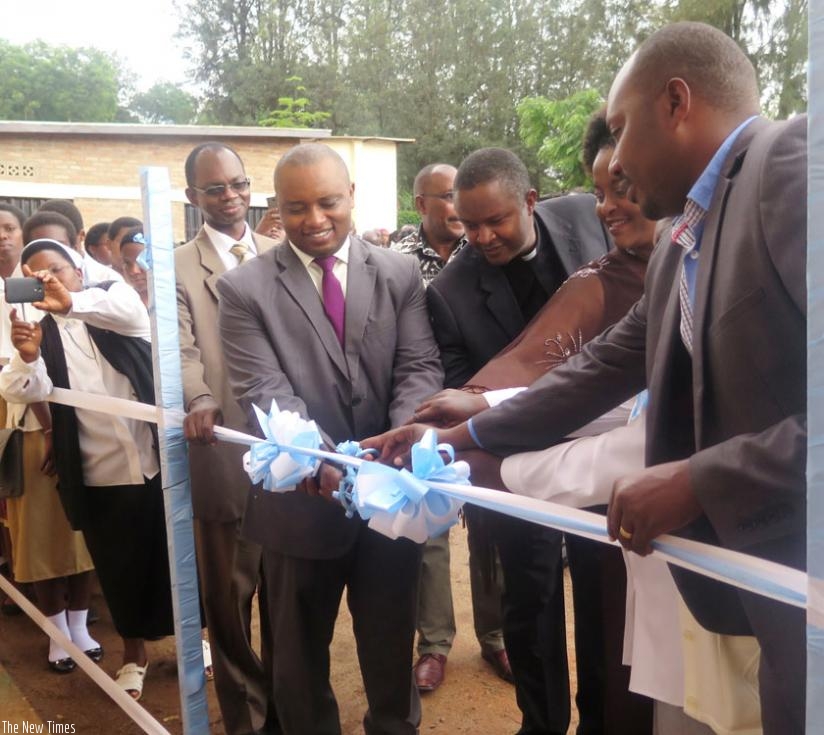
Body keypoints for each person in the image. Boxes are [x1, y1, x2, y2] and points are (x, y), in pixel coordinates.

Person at [366, 22, 806, 735]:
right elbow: (593, 371)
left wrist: (699, 478)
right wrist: (461, 434)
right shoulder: (679, 247)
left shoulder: (790, 163)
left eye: (622, 128)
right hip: (772, 606)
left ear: (677, 102)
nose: (617, 164)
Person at [217, 142, 443, 735]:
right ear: (276, 208)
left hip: (390, 500)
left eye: (328, 202)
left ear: (352, 199)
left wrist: (391, 450)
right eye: (296, 208)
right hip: (299, 505)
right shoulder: (244, 289)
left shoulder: (397, 271)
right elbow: (264, 390)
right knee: (297, 660)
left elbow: (418, 366)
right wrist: (326, 462)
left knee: (391, 650)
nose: (314, 220)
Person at [424, 147, 611, 735]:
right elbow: (460, 386)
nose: (480, 237)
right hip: (514, 462)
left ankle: (604, 720)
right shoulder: (450, 292)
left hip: (608, 449)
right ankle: (542, 722)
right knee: (529, 607)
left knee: (606, 598)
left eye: (495, 221)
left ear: (530, 202)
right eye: (467, 224)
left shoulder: (591, 216)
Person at [0, 239, 174, 701]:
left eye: (55, 269)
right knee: (118, 568)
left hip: (158, 463)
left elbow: (131, 312)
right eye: (35, 275)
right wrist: (29, 356)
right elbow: (22, 390)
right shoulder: (40, 331)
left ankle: (196, 643)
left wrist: (72, 302)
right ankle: (133, 656)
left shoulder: (111, 305)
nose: (48, 281)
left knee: (177, 558)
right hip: (99, 473)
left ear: (79, 269)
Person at [177, 141, 280, 735]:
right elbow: (182, 352)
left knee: (289, 593)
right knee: (231, 597)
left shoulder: (281, 252)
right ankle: (247, 716)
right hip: (220, 446)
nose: (231, 196)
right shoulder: (178, 267)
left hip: (290, 449)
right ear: (194, 198)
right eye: (215, 188)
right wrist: (199, 399)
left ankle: (289, 707)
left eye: (238, 184)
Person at [392, 163, 503, 693]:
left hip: (480, 397)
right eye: (445, 197)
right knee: (430, 525)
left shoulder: (486, 249)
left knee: (490, 519)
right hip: (421, 407)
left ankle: (497, 635)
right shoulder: (396, 261)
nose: (458, 209)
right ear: (421, 205)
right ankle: (434, 644)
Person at [0, 209, 99, 675]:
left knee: (81, 533)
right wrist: (52, 427)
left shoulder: (84, 298)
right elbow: (15, 374)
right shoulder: (8, 302)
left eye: (8, 229)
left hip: (81, 430)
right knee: (38, 538)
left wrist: (68, 428)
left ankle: (80, 626)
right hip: (31, 432)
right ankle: (57, 632)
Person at [23, 210, 122, 286]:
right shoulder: (18, 295)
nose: (50, 254)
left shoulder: (109, 281)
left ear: (74, 249)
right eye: (42, 247)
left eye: (59, 246)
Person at [119, 228, 149, 308]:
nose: (134, 271)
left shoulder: (178, 303)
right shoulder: (120, 305)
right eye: (127, 263)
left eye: (142, 262)